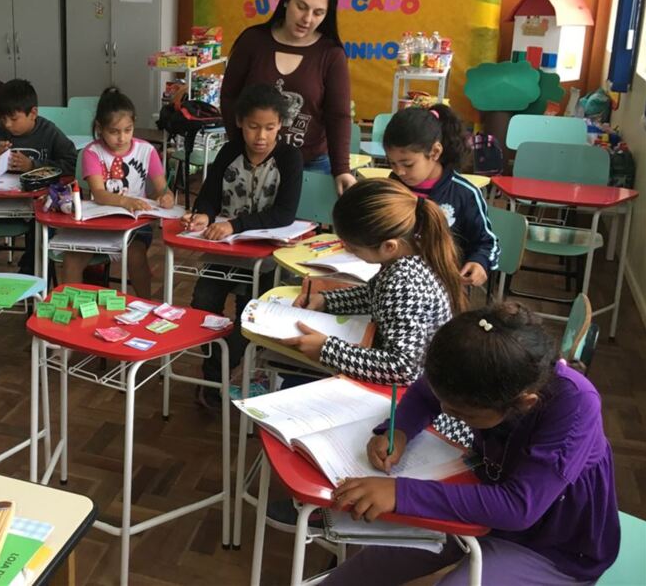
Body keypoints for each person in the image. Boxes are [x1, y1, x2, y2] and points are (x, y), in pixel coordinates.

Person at [324, 303, 620, 585]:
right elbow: (426, 394)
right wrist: (397, 431)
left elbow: (519, 507)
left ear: (524, 403)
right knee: (376, 560)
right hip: (485, 500)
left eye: (462, 414)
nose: (446, 411)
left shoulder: (576, 404)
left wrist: (401, 492)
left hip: (555, 548)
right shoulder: (473, 364)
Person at [283, 179, 469, 443]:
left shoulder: (404, 282)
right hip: (416, 387)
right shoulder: (410, 255)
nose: (348, 250)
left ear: (388, 246)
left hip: (417, 405)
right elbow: (374, 295)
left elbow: (402, 368)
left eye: (354, 248)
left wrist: (327, 349)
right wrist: (325, 301)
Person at [182, 83, 303, 408]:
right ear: (240, 123)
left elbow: (284, 213)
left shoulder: (289, 157)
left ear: (281, 125)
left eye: (269, 128)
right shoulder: (228, 152)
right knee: (203, 300)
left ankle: (224, 371)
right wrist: (203, 216)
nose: (261, 136)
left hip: (268, 255)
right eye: (253, 127)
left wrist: (234, 225)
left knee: (251, 315)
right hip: (225, 249)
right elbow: (208, 195)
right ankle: (212, 373)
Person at [220, 0, 355, 194]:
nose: (307, 19)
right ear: (285, 1)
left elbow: (338, 115)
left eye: (318, 12)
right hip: (252, 160)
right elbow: (230, 96)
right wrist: (238, 145)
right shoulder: (253, 41)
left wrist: (342, 168)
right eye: (301, 7)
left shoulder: (330, 54)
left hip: (311, 163)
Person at [61, 87, 174, 298]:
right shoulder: (92, 153)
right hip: (98, 224)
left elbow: (162, 188)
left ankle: (145, 305)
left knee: (136, 256)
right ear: (100, 128)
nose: (122, 138)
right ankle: (71, 312)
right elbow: (99, 193)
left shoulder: (147, 151)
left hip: (135, 227)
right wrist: (126, 201)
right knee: (72, 259)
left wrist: (166, 197)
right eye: (114, 132)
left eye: (128, 130)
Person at [383, 104, 498, 287]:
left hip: (445, 289)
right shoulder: (392, 186)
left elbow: (486, 242)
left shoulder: (464, 193)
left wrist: (480, 262)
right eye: (392, 163)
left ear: (435, 152)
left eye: (407, 164)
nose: (400, 172)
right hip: (395, 285)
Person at [0, 79, 77, 275]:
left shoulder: (49, 132)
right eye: (3, 119)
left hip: (37, 202)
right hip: (2, 201)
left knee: (44, 225)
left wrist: (33, 166)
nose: (7, 125)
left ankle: (32, 276)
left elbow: (72, 163)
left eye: (13, 119)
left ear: (33, 113)